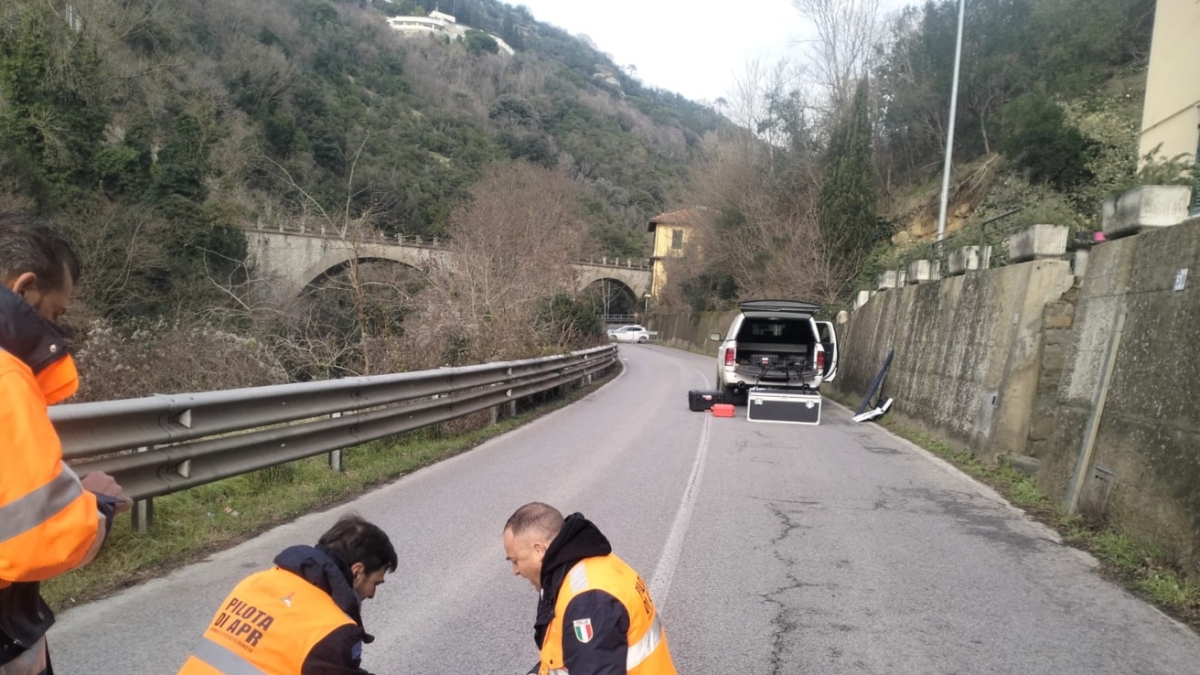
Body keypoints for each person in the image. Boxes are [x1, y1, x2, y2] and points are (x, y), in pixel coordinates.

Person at [0, 213, 132, 675]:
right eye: (54, 314)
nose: (55, 329)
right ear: (24, 289)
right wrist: (99, 503)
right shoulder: (5, 377)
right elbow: (36, 535)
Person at [176, 513, 398, 675]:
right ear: (357, 572)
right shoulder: (333, 630)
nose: (372, 594)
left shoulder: (253, 582)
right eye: (375, 583)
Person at [503, 503, 677, 675]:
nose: (515, 571)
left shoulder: (587, 603)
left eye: (516, 561)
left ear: (539, 550)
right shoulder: (583, 569)